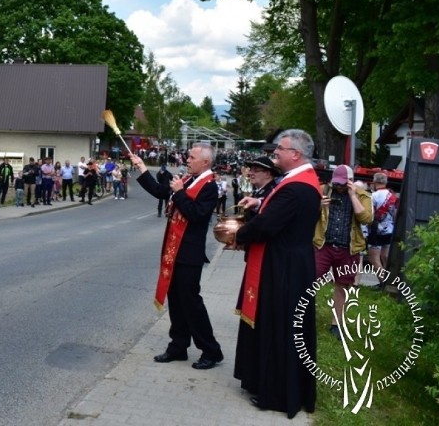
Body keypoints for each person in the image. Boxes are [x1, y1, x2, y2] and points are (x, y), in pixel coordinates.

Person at [232, 129, 322, 418]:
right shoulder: (300, 182)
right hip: (291, 262)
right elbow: (277, 212)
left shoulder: (296, 188)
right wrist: (259, 204)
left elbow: (267, 226)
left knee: (279, 325)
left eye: (280, 149)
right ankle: (268, 382)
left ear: (295, 154)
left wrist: (239, 235)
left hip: (285, 268)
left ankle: (277, 392)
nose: (276, 154)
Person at [130, 143, 224, 371]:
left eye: (192, 157)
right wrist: (142, 168)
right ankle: (178, 346)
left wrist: (180, 192)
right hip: (174, 251)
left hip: (190, 254)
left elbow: (196, 215)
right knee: (177, 302)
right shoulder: (189, 179)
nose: (187, 159)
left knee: (191, 303)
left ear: (205, 162)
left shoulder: (210, 186)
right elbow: (160, 191)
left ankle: (211, 350)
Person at [313, 164, 373, 338]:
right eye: (336, 183)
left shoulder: (363, 195)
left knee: (342, 286)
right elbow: (305, 214)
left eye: (342, 184)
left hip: (348, 248)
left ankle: (336, 324)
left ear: (350, 182)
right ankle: (302, 317)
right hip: (323, 245)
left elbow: (366, 219)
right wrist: (318, 206)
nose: (338, 187)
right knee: (308, 281)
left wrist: (353, 196)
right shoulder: (323, 190)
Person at [368, 172, 398, 288]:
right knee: (385, 257)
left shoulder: (373, 196)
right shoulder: (392, 196)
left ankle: (383, 283)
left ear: (375, 182)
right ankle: (389, 281)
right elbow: (395, 214)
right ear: (386, 182)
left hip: (376, 232)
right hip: (389, 231)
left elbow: (370, 215)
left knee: (374, 258)